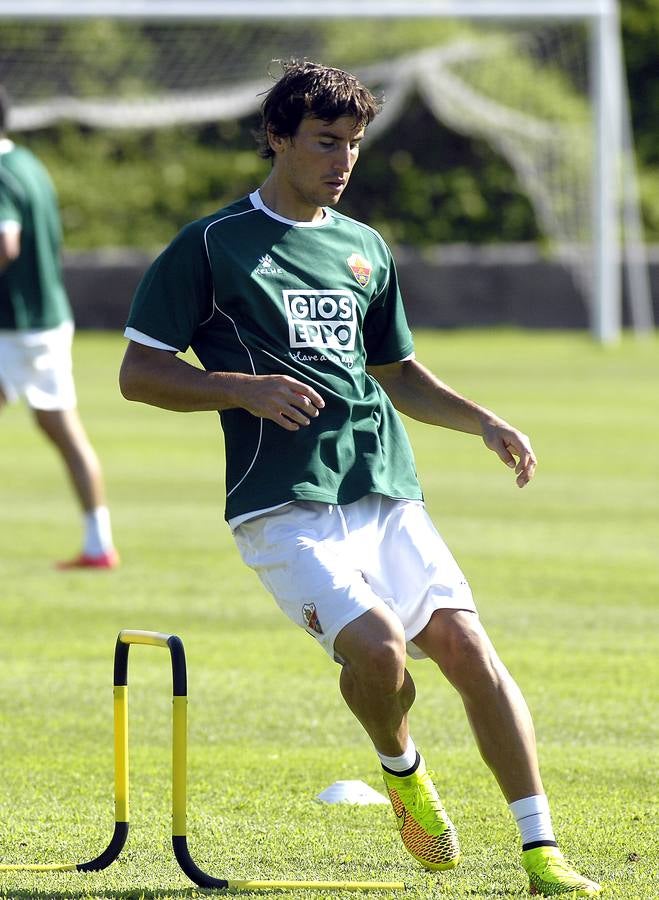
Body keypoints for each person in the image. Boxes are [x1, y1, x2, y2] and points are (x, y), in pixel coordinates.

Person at [119, 61, 600, 896]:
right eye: (324, 142)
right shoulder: (208, 244)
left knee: (465, 646)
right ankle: (401, 768)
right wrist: (241, 389)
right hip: (282, 504)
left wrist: (481, 420)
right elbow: (139, 372)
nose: (342, 161)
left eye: (353, 146)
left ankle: (541, 851)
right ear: (276, 138)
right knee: (379, 653)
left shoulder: (363, 246)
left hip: (382, 483)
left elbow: (397, 372)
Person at [0, 86, 118, 569]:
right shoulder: (27, 163)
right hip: (47, 321)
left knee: (64, 432)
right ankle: (98, 543)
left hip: (13, 327)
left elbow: (6, 243)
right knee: (65, 432)